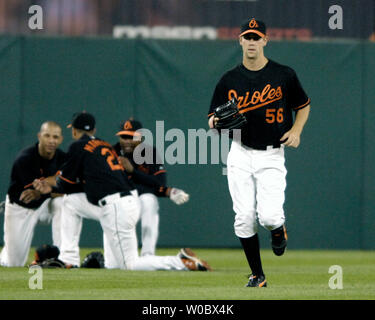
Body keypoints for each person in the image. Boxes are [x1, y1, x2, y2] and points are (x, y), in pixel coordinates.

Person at [34, 112, 211, 271]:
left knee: (130, 264)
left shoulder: (78, 147)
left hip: (117, 207)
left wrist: (49, 188)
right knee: (71, 203)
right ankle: (69, 259)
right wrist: (53, 189)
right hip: (121, 203)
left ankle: (180, 261)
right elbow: (82, 187)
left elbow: (65, 184)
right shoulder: (103, 146)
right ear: (93, 130)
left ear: (73, 131)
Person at [207, 18, 311, 287]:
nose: (252, 42)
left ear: (266, 40)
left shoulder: (284, 75)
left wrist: (297, 130)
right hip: (240, 151)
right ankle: (258, 275)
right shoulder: (228, 79)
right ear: (240, 40)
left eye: (256, 37)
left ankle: (278, 230)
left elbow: (303, 105)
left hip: (272, 154)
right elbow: (211, 118)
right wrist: (215, 122)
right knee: (242, 217)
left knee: (269, 217)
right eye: (247, 37)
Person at [113, 118, 189, 256]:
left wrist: (133, 172)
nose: (128, 141)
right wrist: (166, 191)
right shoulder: (112, 153)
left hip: (141, 196)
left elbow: (159, 183)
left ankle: (147, 254)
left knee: (149, 200)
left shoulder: (149, 152)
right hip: (117, 199)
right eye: (124, 137)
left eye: (132, 137)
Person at [0, 121, 66, 267]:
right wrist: (52, 185)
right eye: (47, 136)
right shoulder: (25, 159)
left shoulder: (63, 159)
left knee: (63, 204)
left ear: (60, 139)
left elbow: (67, 188)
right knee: (14, 263)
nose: (51, 141)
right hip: (22, 207)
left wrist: (47, 189)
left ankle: (61, 256)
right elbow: (31, 194)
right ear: (39, 136)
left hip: (45, 206)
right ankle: (6, 254)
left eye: (55, 137)